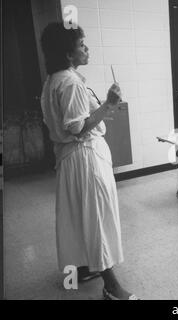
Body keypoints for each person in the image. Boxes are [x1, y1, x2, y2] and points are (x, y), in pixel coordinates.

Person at [40, 22, 137, 300]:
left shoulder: (56, 79)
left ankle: (83, 267)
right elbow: (77, 127)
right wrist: (107, 103)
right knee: (97, 218)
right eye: (82, 45)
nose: (87, 49)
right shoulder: (69, 83)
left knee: (79, 216)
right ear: (68, 54)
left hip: (72, 160)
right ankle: (112, 286)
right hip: (84, 159)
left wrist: (106, 104)